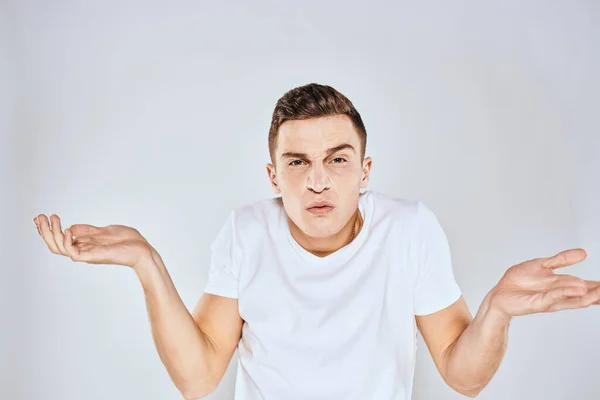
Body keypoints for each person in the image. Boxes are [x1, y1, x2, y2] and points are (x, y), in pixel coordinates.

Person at [33, 83, 598, 400]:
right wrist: (146, 263)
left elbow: (463, 374)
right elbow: (199, 376)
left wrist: (497, 310)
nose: (318, 180)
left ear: (365, 169)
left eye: (337, 159)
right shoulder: (247, 231)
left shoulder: (409, 229)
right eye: (298, 162)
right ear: (274, 175)